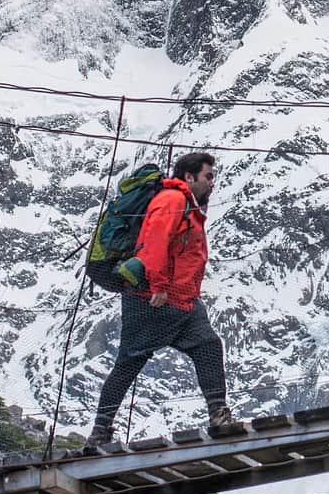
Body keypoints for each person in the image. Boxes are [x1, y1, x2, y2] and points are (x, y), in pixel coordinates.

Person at [88, 151, 232, 443]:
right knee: (129, 363)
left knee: (208, 346)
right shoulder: (172, 200)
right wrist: (158, 286)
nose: (212, 183)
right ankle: (100, 431)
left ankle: (219, 415)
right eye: (208, 176)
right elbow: (154, 244)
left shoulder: (187, 205)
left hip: (182, 301)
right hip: (153, 300)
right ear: (189, 177)